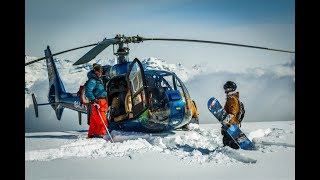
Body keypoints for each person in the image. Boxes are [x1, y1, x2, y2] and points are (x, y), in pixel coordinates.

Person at [85, 63, 108, 138]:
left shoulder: (97, 80)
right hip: (97, 103)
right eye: (98, 72)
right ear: (95, 71)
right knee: (103, 122)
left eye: (101, 72)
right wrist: (93, 100)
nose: (100, 73)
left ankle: (91, 135)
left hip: (100, 102)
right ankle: (99, 136)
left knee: (94, 122)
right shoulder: (93, 80)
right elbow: (88, 91)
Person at [221, 81, 241, 149]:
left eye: (226, 88)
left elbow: (233, 113)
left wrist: (225, 122)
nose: (225, 89)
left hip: (231, 125)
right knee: (227, 141)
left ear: (231, 89)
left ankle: (230, 156)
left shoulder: (232, 99)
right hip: (231, 124)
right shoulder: (231, 98)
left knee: (230, 142)